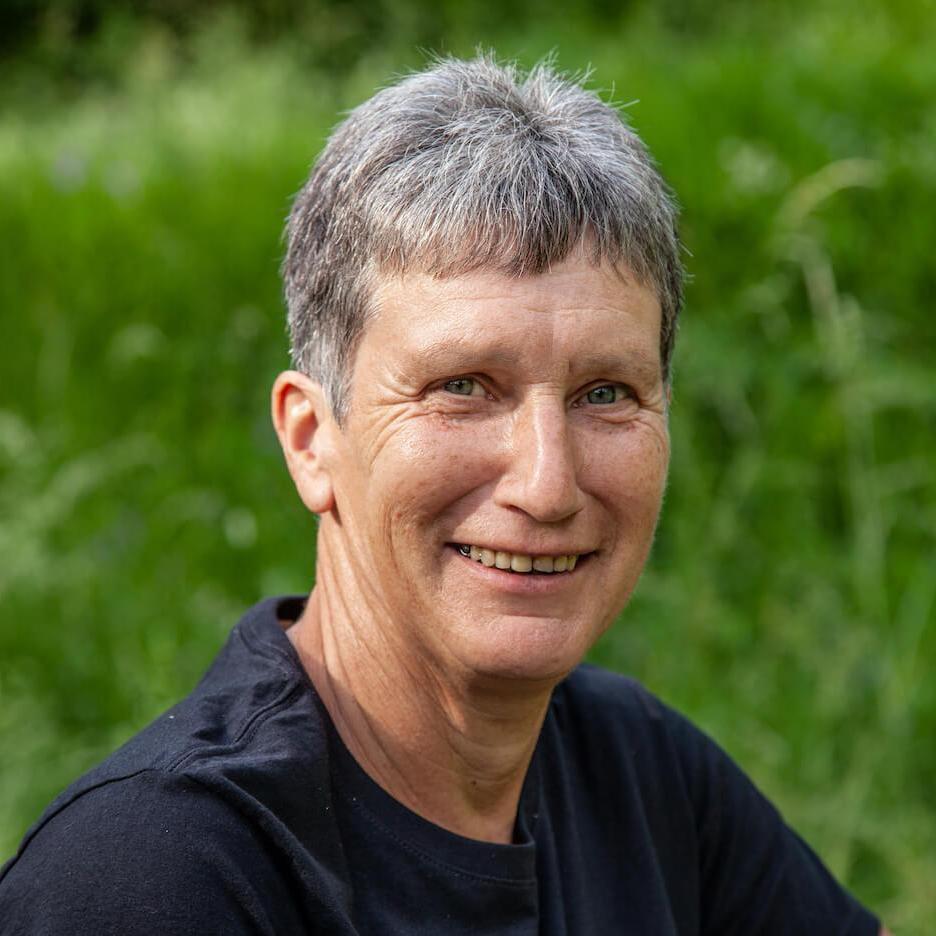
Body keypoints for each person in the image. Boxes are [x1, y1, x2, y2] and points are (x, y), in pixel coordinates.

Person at [0, 54, 889, 935]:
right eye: (462, 387)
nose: (547, 484)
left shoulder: (641, 777)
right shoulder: (159, 878)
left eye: (605, 394)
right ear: (311, 440)